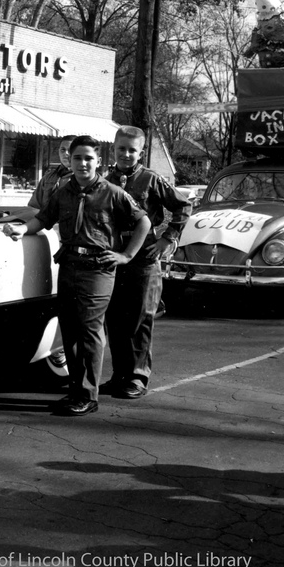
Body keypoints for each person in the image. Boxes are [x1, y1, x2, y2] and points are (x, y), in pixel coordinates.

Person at [2, 135, 150, 417]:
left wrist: (126, 255)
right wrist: (23, 229)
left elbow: (143, 220)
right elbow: (43, 218)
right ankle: (76, 391)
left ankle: (87, 395)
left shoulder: (112, 192)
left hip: (97, 269)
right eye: (77, 158)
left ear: (99, 161)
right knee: (69, 330)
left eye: (88, 158)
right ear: (69, 160)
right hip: (69, 265)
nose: (83, 163)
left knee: (89, 331)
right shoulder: (63, 191)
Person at [102, 125, 192, 400]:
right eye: (122, 149)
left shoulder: (152, 179)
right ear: (113, 150)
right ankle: (119, 375)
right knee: (115, 318)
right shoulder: (104, 180)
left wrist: (168, 239)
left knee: (140, 317)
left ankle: (138, 377)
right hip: (115, 255)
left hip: (143, 257)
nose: (126, 155)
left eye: (132, 150)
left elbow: (183, 206)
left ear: (141, 152)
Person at [29, 135, 76, 210]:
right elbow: (34, 206)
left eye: (70, 150)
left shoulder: (83, 179)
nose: (66, 153)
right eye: (62, 150)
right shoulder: (48, 178)